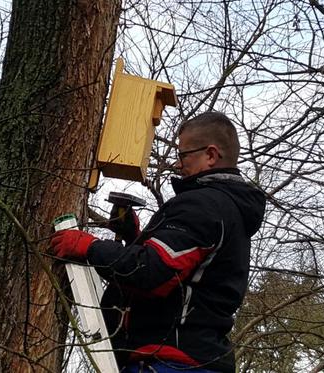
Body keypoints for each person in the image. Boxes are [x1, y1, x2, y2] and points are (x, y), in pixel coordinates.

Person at [51, 112, 266, 373]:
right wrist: (135, 237)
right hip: (193, 359)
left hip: (172, 363)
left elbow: (153, 273)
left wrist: (89, 246)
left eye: (183, 155)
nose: (177, 164)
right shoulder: (227, 208)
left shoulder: (204, 204)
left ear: (210, 155)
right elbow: (187, 272)